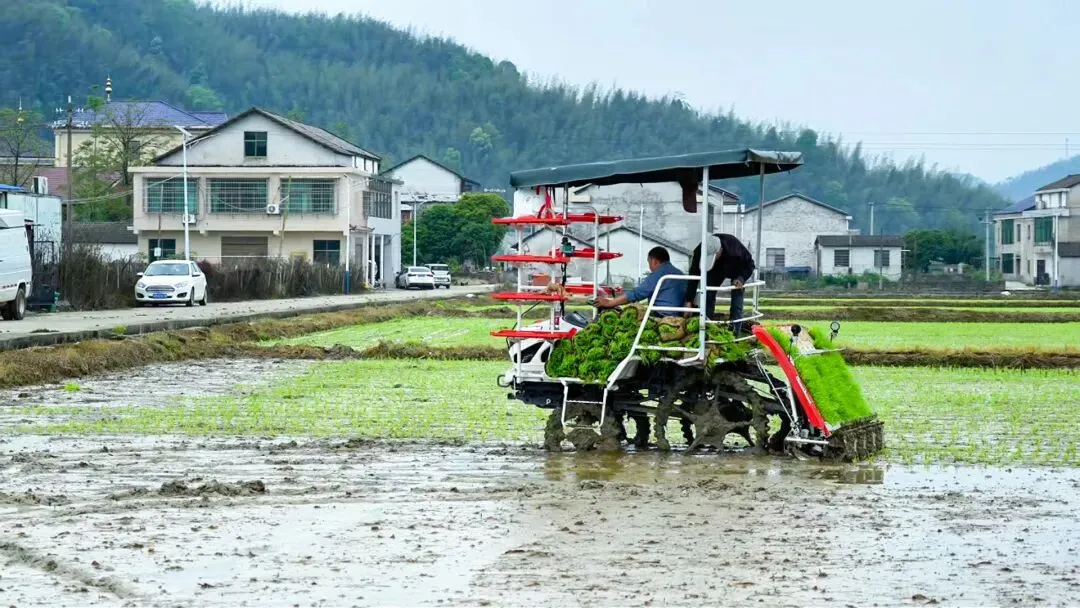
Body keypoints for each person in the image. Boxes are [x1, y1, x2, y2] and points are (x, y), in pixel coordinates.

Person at [684, 233, 755, 335]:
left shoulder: (734, 249)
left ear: (720, 251)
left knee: (737, 300)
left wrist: (741, 278)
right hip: (714, 270)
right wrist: (689, 300)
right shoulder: (699, 250)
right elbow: (694, 275)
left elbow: (750, 264)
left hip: (736, 269)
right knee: (707, 294)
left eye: (712, 257)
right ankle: (706, 328)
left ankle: (735, 332)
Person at [594, 246, 686, 317]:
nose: (650, 268)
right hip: (679, 314)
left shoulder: (659, 274)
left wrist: (610, 303)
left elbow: (637, 294)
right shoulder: (680, 274)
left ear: (654, 261)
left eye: (649, 263)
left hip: (662, 315)